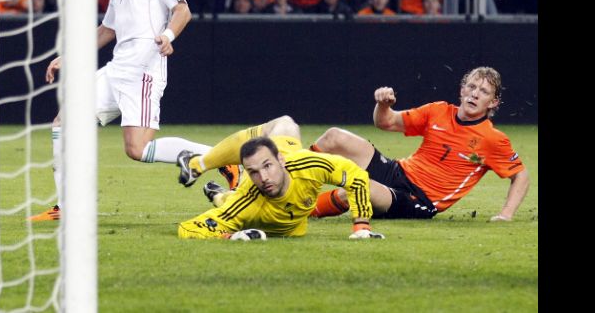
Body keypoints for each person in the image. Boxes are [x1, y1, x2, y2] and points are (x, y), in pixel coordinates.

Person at [28, 0, 194, 221]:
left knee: (137, 150)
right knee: (64, 123)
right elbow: (107, 29)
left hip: (144, 70)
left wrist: (168, 37)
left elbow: (182, 10)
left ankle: (216, 159)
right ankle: (66, 207)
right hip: (116, 69)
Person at [310, 67, 529, 221]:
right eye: (471, 86)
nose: (474, 94)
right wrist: (383, 105)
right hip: (398, 172)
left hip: (419, 199)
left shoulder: (493, 139)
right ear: (462, 90)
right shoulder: (438, 111)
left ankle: (299, 211)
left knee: (356, 189)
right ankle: (291, 180)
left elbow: (520, 175)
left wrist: (505, 215)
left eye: (483, 92)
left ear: (493, 102)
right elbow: (385, 122)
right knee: (334, 136)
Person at [177, 119, 385, 240]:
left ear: (280, 161)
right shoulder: (247, 200)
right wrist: (230, 237)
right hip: (249, 200)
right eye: (254, 171)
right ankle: (221, 191)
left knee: (285, 122)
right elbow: (188, 227)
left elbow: (356, 175)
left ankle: (199, 164)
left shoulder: (310, 164)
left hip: (290, 156)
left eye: (267, 166)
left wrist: (361, 226)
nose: (264, 177)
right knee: (232, 202)